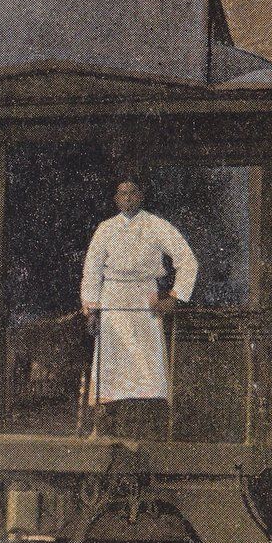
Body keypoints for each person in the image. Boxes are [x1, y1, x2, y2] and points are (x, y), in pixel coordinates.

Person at [80, 180, 198, 428]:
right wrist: (92, 308)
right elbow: (92, 269)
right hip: (112, 298)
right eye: (122, 194)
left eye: (133, 193)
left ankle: (149, 419)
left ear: (141, 196)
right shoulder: (106, 229)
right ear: (116, 199)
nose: (128, 199)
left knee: (147, 364)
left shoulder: (156, 226)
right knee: (112, 362)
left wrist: (174, 298)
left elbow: (187, 259)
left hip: (145, 299)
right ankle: (109, 419)